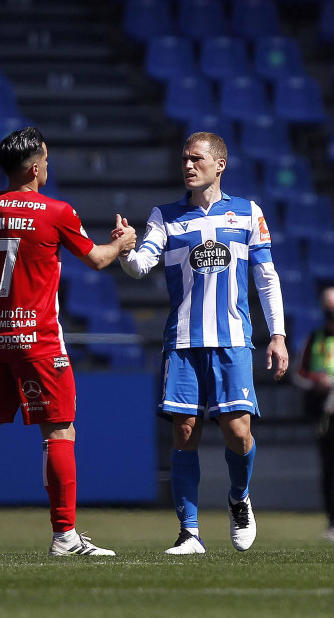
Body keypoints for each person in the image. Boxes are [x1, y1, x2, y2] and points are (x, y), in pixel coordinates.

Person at [0, 126, 135, 558]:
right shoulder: (56, 212)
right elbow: (99, 259)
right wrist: (122, 241)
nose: (48, 166)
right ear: (33, 168)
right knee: (59, 433)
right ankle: (65, 536)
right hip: (40, 342)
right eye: (45, 160)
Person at [116, 132, 288, 555]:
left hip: (232, 341)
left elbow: (266, 278)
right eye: (184, 159)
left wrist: (278, 335)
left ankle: (238, 497)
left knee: (237, 431)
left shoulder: (248, 213)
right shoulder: (166, 216)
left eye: (197, 159)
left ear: (220, 164)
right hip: (183, 342)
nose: (188, 165)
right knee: (185, 431)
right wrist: (125, 248)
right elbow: (141, 266)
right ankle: (189, 533)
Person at [294, 287, 334, 541]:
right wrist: (316, 382)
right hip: (326, 414)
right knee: (329, 469)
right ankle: (332, 522)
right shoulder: (315, 338)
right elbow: (298, 374)